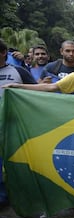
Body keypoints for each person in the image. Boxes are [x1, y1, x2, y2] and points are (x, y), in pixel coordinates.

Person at [0, 39, 37, 207]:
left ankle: (24, 194)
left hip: (14, 125)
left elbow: (36, 93)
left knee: (18, 160)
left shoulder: (19, 71)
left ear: (3, 53)